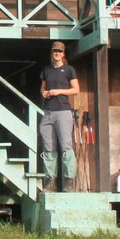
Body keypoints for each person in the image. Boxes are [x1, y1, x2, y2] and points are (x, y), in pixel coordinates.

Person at [39, 41, 79, 192]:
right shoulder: (46, 70)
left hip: (63, 111)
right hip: (48, 112)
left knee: (66, 146)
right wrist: (44, 93)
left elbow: (76, 90)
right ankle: (50, 182)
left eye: (59, 51)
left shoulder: (69, 69)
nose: (57, 53)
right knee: (49, 148)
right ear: (52, 53)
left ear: (63, 54)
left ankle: (68, 182)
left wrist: (59, 91)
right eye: (54, 51)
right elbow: (42, 88)